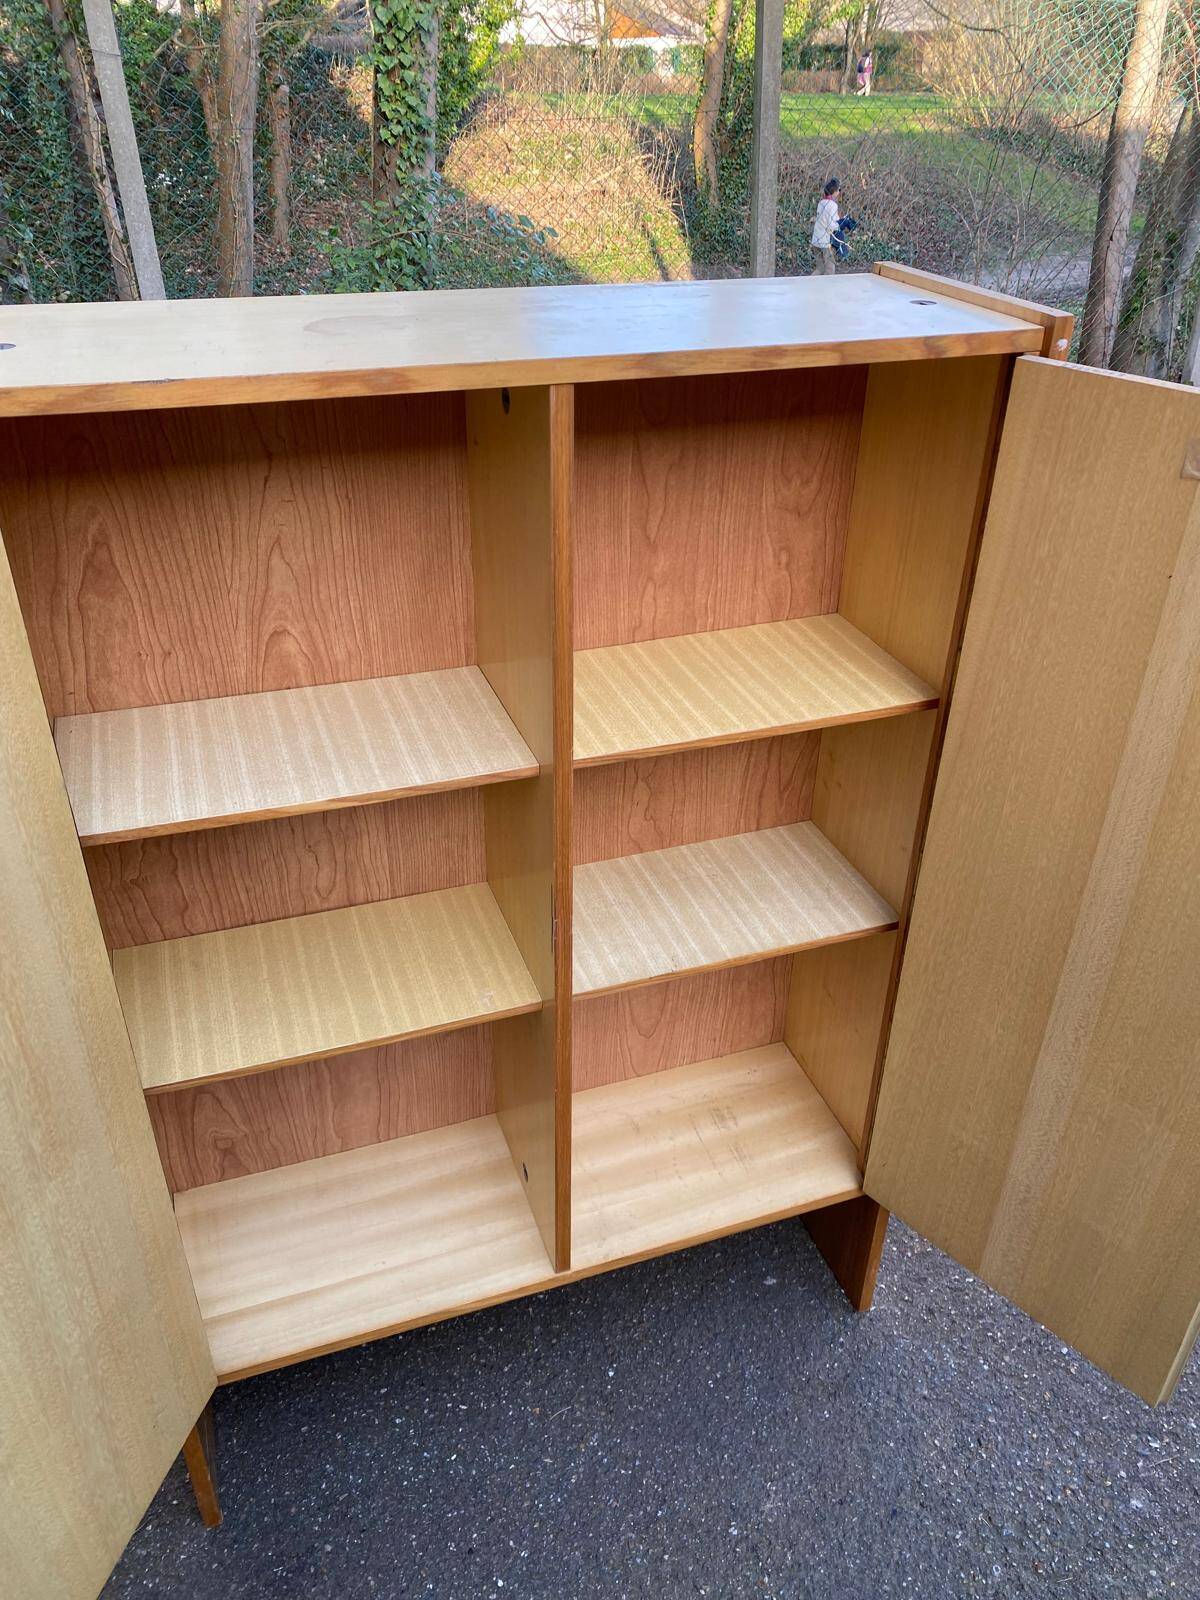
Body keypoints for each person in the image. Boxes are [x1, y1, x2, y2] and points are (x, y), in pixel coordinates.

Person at [811, 178, 840, 275]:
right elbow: (831, 225)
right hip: (825, 242)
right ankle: (827, 289)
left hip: (816, 239)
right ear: (835, 192)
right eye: (838, 190)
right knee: (830, 269)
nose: (839, 193)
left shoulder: (821, 203)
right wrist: (840, 225)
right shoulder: (832, 205)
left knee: (820, 268)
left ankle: (809, 284)